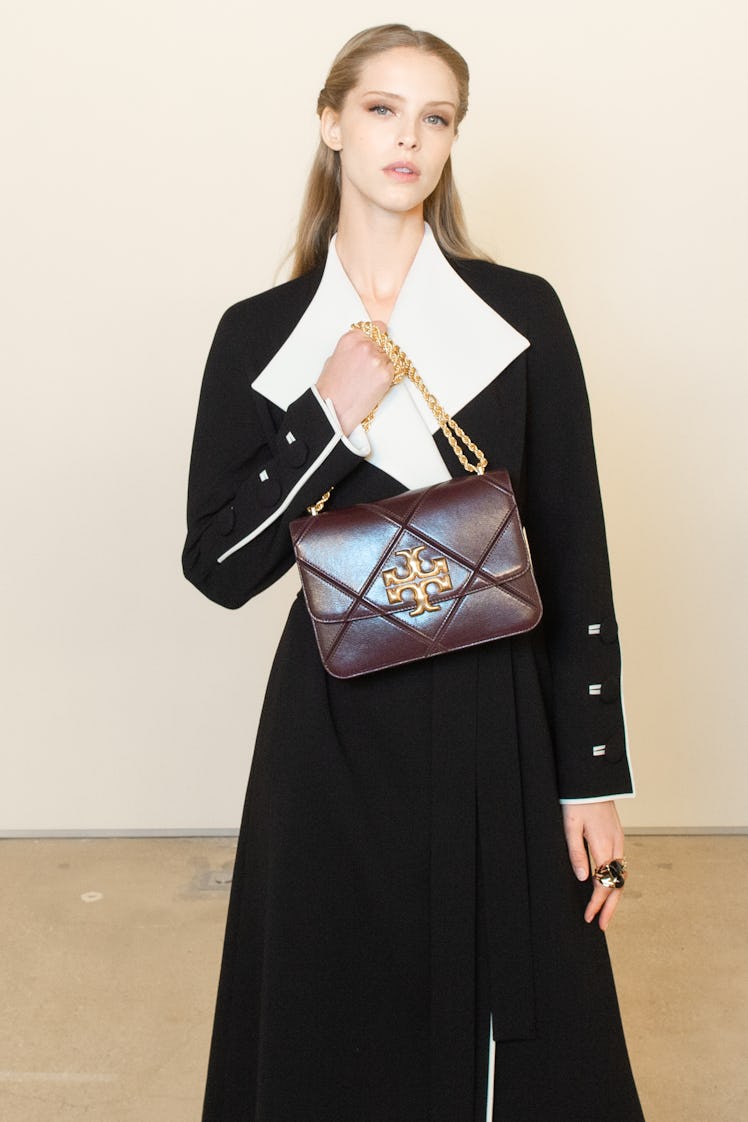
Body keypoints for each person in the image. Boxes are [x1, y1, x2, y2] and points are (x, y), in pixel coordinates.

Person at [182, 23, 644, 1122]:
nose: (409, 137)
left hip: (497, 714)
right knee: (331, 1010)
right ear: (332, 123)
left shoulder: (518, 313)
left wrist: (590, 777)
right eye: (384, 108)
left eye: (435, 117)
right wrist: (328, 417)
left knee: (517, 1026)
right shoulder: (259, 334)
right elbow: (220, 567)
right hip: (332, 725)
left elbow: (575, 547)